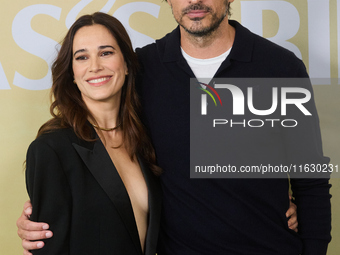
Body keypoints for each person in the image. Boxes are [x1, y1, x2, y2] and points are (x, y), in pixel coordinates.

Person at [17, 0, 331, 254]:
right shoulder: (145, 69)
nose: (195, 1)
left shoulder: (280, 67)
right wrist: (36, 219)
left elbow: (311, 181)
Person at [21, 12, 162, 255]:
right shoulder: (51, 149)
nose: (95, 66)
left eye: (106, 53)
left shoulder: (144, 139)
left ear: (127, 64)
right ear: (72, 74)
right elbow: (46, 247)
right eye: (82, 57)